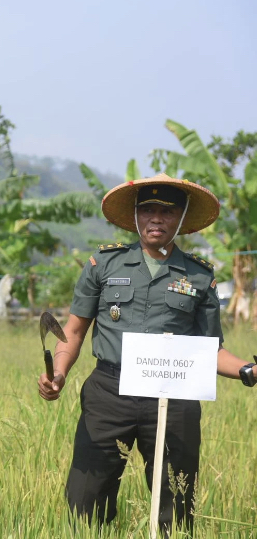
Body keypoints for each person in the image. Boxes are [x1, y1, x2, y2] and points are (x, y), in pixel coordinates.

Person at [38, 174, 257, 533]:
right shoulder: (104, 265)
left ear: (182, 218)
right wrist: (58, 373)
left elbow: (211, 351)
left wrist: (248, 370)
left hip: (174, 398)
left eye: (167, 212)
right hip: (109, 394)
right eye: (148, 210)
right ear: (136, 215)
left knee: (176, 503)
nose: (157, 218)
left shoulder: (199, 277)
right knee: (85, 502)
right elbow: (73, 331)